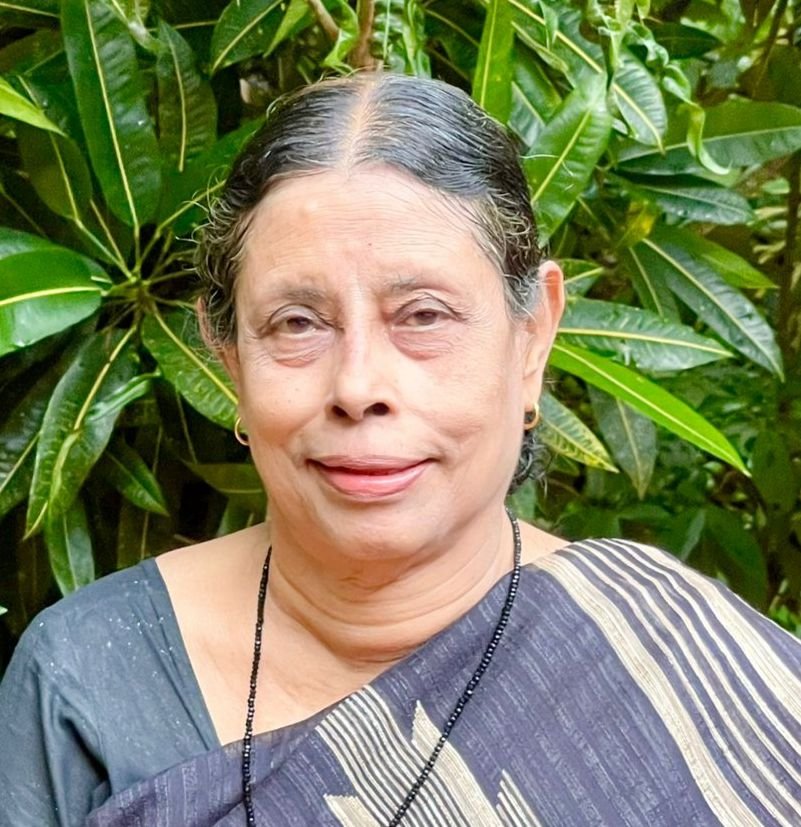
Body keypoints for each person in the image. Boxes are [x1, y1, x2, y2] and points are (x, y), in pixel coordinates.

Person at [1, 71, 800, 827]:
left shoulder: (674, 666)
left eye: (423, 315)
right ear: (229, 358)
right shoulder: (90, 680)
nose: (358, 385)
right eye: (296, 323)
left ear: (532, 335)